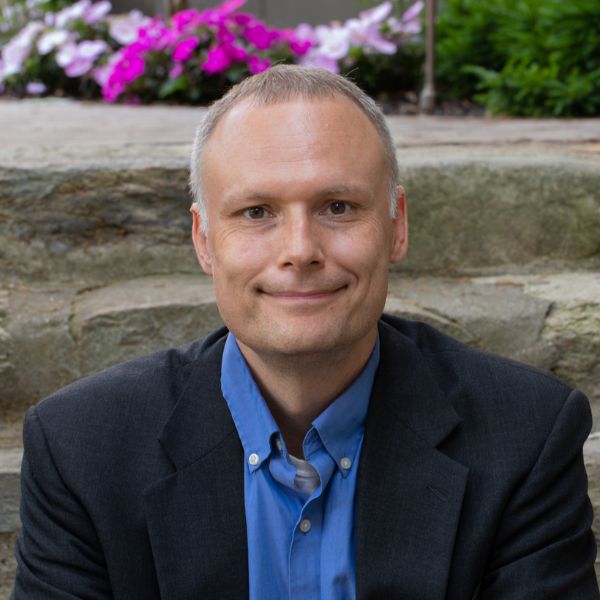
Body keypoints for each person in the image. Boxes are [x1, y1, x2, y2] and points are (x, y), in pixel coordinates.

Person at [12, 65, 598, 599]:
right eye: (257, 212)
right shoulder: (81, 449)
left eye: (337, 207)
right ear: (203, 240)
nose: (300, 250)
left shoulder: (525, 436)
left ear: (396, 225)